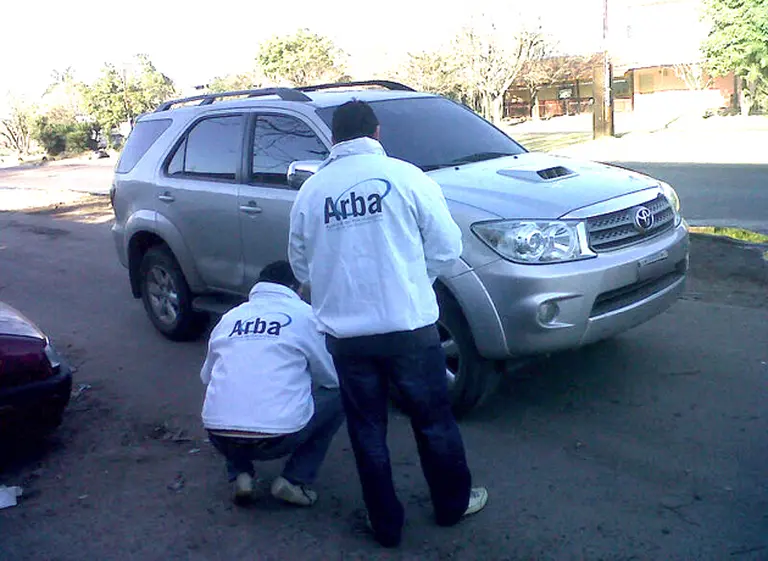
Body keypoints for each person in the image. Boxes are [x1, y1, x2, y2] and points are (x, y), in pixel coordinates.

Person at [288, 100, 487, 547]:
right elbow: (447, 247)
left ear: (334, 138)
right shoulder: (407, 177)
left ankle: (385, 524)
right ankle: (452, 505)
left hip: (347, 339)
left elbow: (301, 267)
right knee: (433, 421)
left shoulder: (312, 192)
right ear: (376, 132)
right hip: (410, 330)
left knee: (367, 430)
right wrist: (412, 280)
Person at [200, 261, 344, 507]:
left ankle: (241, 475)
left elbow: (207, 376)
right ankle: (294, 479)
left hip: (220, 435)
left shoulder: (230, 317)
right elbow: (330, 377)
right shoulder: (305, 316)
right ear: (296, 288)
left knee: (231, 389)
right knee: (341, 393)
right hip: (279, 438)